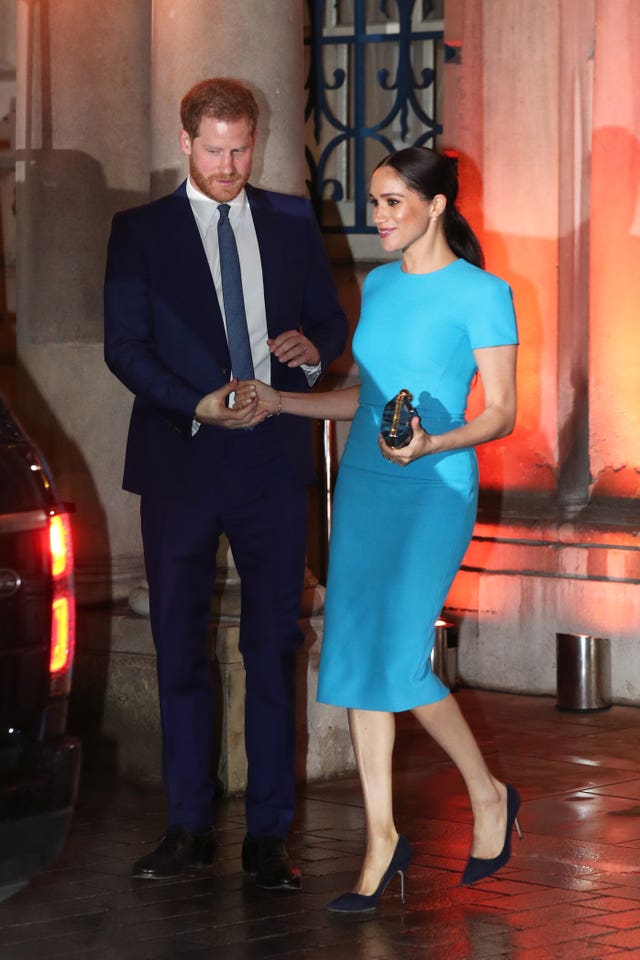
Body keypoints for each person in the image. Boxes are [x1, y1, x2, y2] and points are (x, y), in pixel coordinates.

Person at [235, 146, 520, 912]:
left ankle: (488, 794)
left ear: (437, 207)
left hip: (433, 487)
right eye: (375, 200)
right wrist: (280, 401)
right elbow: (365, 396)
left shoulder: (483, 293)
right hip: (363, 481)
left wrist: (431, 442)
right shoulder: (380, 284)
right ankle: (382, 838)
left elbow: (501, 413)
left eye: (394, 202)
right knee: (359, 657)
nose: (379, 216)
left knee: (396, 657)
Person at [104, 77, 347, 889]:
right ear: (186, 143)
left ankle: (268, 837)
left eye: (241, 148)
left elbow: (329, 322)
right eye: (215, 150)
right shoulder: (138, 231)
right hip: (181, 455)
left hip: (271, 460)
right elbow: (125, 346)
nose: (230, 164)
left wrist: (311, 350)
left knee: (273, 646)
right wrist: (195, 402)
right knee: (180, 644)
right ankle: (188, 827)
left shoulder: (285, 220)